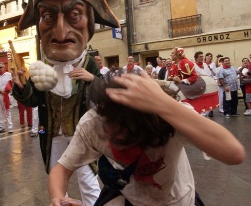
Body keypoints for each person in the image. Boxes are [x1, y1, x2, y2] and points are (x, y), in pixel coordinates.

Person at [48, 71, 245, 206]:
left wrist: (163, 103)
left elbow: (233, 153)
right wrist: (59, 199)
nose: (109, 141)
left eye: (122, 136)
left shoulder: (169, 118)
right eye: (108, 130)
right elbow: (61, 169)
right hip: (130, 200)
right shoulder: (93, 123)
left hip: (179, 200)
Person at [12, 0, 120, 205]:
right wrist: (21, 87)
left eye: (74, 15)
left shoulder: (89, 63)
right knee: (56, 180)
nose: (60, 32)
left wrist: (93, 81)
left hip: (83, 136)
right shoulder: (42, 66)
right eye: (48, 17)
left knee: (88, 180)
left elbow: (108, 98)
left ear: (89, 22)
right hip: (53, 136)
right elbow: (32, 100)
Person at [0, 62, 14, 134]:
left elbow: (13, 83)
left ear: (4, 67)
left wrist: (10, 89)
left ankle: (10, 127)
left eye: (0, 67)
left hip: (6, 95)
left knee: (7, 111)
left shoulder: (9, 75)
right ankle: (1, 127)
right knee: (0, 112)